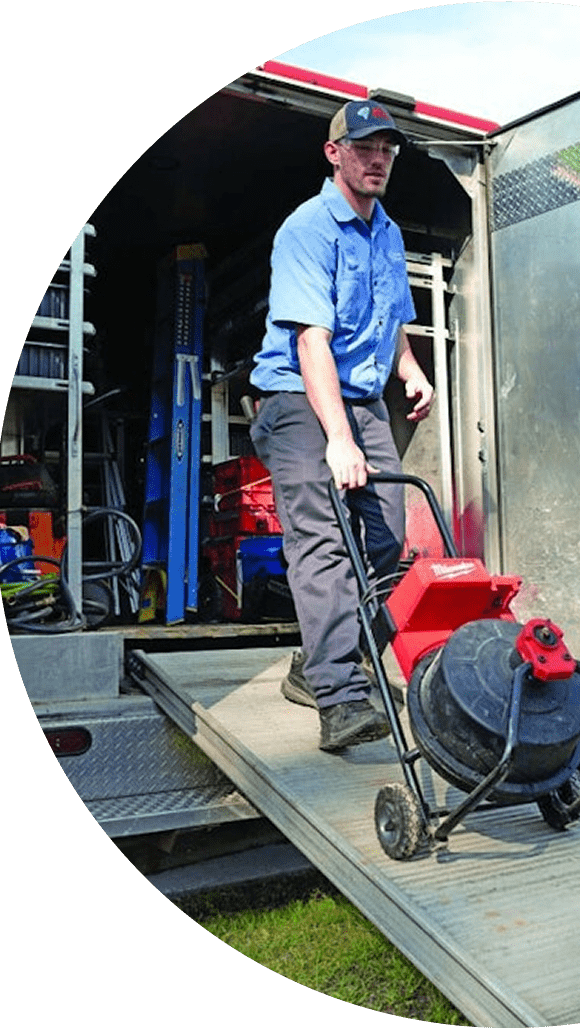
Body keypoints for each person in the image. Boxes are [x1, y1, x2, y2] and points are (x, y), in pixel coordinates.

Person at [249, 100, 434, 752]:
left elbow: (393, 312)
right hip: (297, 399)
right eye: (363, 147)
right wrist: (337, 438)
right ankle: (340, 697)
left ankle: (316, 663)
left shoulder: (385, 229)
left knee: (386, 542)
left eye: (386, 148)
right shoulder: (307, 229)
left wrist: (407, 367)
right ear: (335, 154)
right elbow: (310, 343)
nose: (377, 158)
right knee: (325, 543)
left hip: (360, 399)